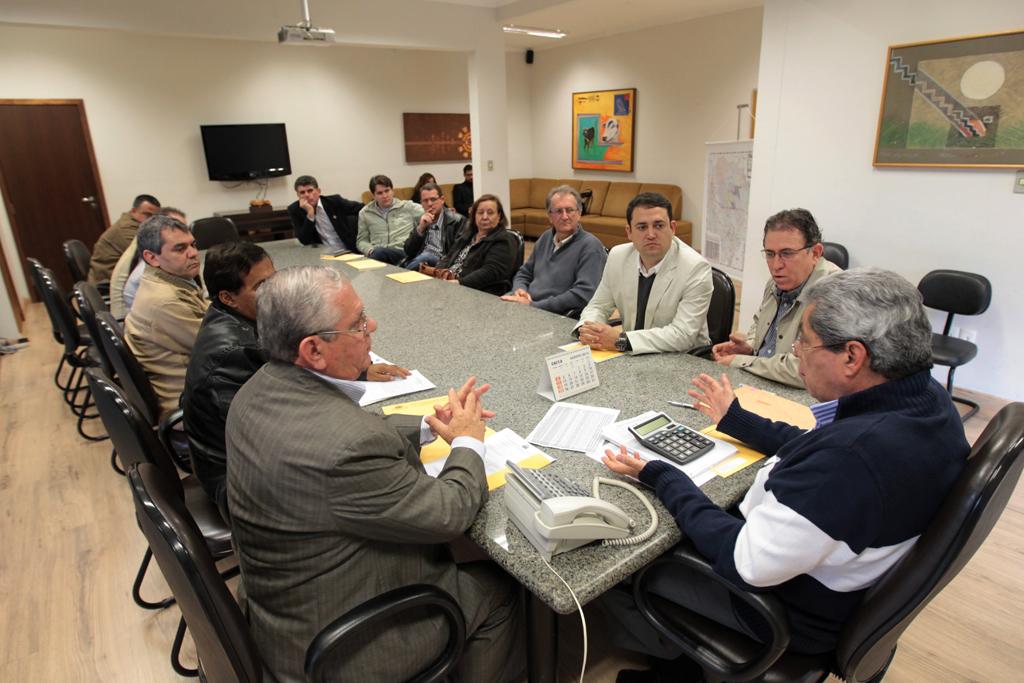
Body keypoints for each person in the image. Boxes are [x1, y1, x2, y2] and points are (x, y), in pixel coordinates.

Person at [600, 268, 969, 680]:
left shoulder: (849, 459)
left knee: (624, 562)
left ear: (852, 356)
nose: (796, 353)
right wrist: (737, 420)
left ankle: (673, 661)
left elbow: (747, 562)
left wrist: (663, 476)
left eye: (805, 343)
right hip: (834, 578)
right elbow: (817, 446)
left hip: (780, 610)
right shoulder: (924, 400)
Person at [225, 266, 521, 682]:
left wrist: (426, 426)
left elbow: (345, 432)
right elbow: (449, 513)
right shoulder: (348, 447)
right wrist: (468, 441)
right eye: (358, 323)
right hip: (342, 647)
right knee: (500, 589)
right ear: (313, 350)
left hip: (282, 613)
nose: (373, 327)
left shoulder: (256, 391)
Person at [182, 244, 411, 516]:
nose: (275, 290)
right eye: (262, 286)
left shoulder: (238, 319)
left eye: (274, 278)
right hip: (238, 484)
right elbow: (294, 431)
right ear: (228, 298)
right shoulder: (235, 352)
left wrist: (356, 369)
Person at [711, 208, 842, 387]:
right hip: (762, 381)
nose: (776, 265)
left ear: (815, 253)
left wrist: (741, 361)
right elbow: (759, 326)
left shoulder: (834, 293)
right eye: (770, 254)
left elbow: (806, 368)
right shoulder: (775, 283)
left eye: (787, 253)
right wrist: (749, 347)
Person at [574, 192, 712, 354]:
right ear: (629, 232)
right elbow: (598, 305)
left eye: (659, 225)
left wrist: (622, 340)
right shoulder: (618, 256)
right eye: (642, 227)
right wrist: (588, 329)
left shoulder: (696, 268)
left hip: (683, 357)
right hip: (632, 353)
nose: (651, 235)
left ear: (673, 228)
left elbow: (682, 335)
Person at [124, 214, 207, 417]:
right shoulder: (165, 300)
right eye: (180, 248)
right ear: (152, 257)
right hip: (192, 402)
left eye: (193, 245)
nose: (193, 253)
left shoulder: (169, 281)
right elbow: (219, 346)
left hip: (193, 384)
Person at [501, 184, 607, 317]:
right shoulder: (546, 237)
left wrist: (534, 306)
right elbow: (524, 272)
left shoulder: (591, 246)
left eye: (570, 210)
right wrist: (520, 289)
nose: (565, 216)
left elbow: (583, 294)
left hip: (555, 315)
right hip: (528, 305)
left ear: (579, 213)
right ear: (550, 216)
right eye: (558, 211)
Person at [110, 206, 187, 318]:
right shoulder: (148, 270)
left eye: (184, 228)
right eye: (175, 227)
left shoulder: (146, 246)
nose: (184, 233)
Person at [435, 194, 519, 295]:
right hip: (449, 284)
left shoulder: (504, 239)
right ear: (474, 216)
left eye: (490, 213)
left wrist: (460, 283)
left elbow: (490, 271)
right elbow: (448, 257)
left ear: (499, 216)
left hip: (477, 291)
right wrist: (438, 273)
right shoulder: (468, 235)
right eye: (480, 212)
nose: (484, 217)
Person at [87, 193, 160, 283]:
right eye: (147, 214)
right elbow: (149, 254)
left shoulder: (136, 223)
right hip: (105, 282)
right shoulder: (126, 229)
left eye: (154, 217)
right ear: (133, 211)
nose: (151, 219)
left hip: (116, 277)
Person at [356, 174, 424, 264]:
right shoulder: (365, 213)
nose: (385, 196)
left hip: (402, 253)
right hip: (377, 255)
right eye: (380, 193)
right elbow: (361, 241)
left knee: (378, 253)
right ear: (374, 195)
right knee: (377, 253)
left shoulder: (408, 207)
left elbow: (431, 212)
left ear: (392, 191)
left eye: (387, 191)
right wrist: (370, 250)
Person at [287, 174, 364, 253]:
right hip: (324, 255)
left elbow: (363, 208)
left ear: (318, 191)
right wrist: (310, 214)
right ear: (298, 195)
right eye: (302, 192)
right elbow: (304, 240)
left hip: (349, 251)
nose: (306, 195)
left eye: (310, 191)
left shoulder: (334, 202)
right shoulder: (295, 210)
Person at [402, 182, 466, 271]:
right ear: (421, 203)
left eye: (433, 199)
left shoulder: (457, 221)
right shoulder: (422, 219)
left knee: (426, 256)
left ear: (442, 200)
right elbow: (408, 251)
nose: (429, 204)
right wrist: (420, 228)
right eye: (425, 200)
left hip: (442, 261)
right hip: (420, 260)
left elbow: (457, 252)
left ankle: (403, 274)